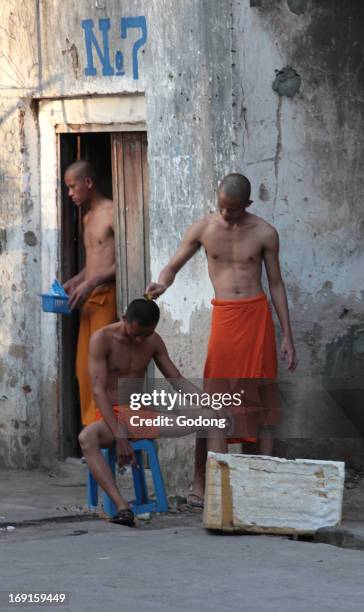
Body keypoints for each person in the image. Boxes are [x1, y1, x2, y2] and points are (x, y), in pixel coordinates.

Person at [145, 173, 298, 507]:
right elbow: (174, 264)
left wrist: (287, 334)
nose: (226, 214)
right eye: (222, 207)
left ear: (248, 205)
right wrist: (162, 284)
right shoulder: (203, 228)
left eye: (233, 209)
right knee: (214, 403)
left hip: (256, 318)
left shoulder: (264, 233)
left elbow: (276, 284)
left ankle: (260, 485)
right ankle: (213, 487)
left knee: (260, 401)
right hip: (225, 317)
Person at [80, 298, 229, 527]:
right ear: (124, 319)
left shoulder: (153, 341)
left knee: (213, 419)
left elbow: (176, 380)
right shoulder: (102, 339)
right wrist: (120, 436)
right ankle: (122, 507)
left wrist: (210, 402)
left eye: (146, 334)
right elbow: (98, 391)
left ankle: (220, 503)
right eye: (136, 333)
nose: (140, 339)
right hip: (112, 418)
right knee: (86, 438)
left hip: (141, 417)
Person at [63, 160, 117, 427]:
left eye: (73, 187)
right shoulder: (87, 217)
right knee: (82, 370)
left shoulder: (113, 212)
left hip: (106, 297)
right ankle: (91, 432)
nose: (70, 193)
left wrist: (93, 281)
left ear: (88, 183)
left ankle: (104, 431)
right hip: (87, 302)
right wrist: (75, 281)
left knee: (101, 371)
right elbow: (94, 262)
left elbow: (128, 261)